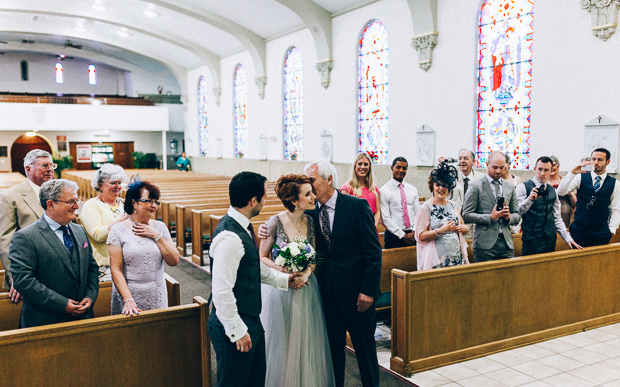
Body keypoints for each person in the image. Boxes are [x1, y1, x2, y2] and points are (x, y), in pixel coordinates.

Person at [208, 171, 301, 387]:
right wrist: (238, 331)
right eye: (265, 196)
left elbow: (251, 264)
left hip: (249, 318)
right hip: (234, 321)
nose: (265, 201)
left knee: (255, 380)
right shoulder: (230, 237)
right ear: (253, 201)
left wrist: (283, 280)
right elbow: (222, 290)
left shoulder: (242, 227)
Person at [302, 161, 381, 387]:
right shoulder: (310, 212)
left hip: (358, 297)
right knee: (333, 352)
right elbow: (319, 253)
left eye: (312, 180)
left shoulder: (356, 207)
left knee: (365, 352)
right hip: (328, 296)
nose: (308, 186)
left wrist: (368, 291)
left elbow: (373, 253)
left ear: (328, 180)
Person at [259, 174, 335, 387]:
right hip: (281, 289)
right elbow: (262, 257)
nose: (313, 197)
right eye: (308, 194)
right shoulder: (274, 222)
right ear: (293, 200)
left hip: (306, 288)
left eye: (312, 192)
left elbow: (313, 258)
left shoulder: (311, 221)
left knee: (306, 340)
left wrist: (307, 273)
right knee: (283, 340)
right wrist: (283, 271)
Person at [8, 179, 99, 328]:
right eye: (71, 202)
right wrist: (63, 304)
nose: (76, 207)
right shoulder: (26, 237)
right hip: (45, 320)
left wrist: (90, 296)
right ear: (51, 204)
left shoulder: (79, 230)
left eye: (76, 201)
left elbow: (92, 268)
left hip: (83, 318)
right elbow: (24, 280)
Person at [108, 178, 179, 316]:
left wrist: (157, 237)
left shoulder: (160, 227)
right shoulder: (118, 230)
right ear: (134, 203)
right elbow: (115, 269)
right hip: (129, 292)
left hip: (156, 290)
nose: (154, 206)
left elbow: (174, 261)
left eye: (156, 202)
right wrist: (128, 299)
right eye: (149, 201)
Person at [0, 149, 55, 303]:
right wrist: (17, 279)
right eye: (44, 166)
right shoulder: (10, 196)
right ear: (28, 169)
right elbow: (6, 241)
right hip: (30, 273)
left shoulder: (59, 193)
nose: (50, 169)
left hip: (59, 270)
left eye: (52, 165)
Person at [516, 156, 582, 255]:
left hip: (550, 238)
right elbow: (518, 212)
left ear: (551, 171)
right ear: (535, 169)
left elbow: (557, 217)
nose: (542, 173)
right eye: (540, 169)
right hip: (531, 239)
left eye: (546, 170)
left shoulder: (553, 190)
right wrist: (529, 200)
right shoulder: (523, 187)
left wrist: (568, 238)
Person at [462, 151, 521, 262]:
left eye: (501, 167)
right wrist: (490, 217)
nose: (498, 171)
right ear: (487, 164)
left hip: (506, 243)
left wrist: (509, 217)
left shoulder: (509, 186)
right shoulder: (476, 186)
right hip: (484, 245)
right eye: (494, 167)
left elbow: (517, 215)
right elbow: (466, 215)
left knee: (507, 278)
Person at [557, 148, 620, 247]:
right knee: (576, 261)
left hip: (601, 232)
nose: (595, 162)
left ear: (607, 162)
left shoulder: (615, 184)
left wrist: (611, 230)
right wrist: (572, 172)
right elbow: (561, 192)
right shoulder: (580, 177)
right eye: (593, 159)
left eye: (600, 160)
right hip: (579, 230)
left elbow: (615, 209)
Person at [80, 164, 130, 281]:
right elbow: (98, 234)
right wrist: (123, 219)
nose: (117, 186)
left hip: (127, 262)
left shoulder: (123, 203)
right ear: (100, 185)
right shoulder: (91, 205)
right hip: (105, 266)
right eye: (113, 183)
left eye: (119, 183)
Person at [416, 163, 469, 270]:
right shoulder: (426, 208)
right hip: (436, 261)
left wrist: (463, 228)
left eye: (445, 185)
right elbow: (420, 236)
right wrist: (441, 230)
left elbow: (464, 227)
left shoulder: (453, 206)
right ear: (432, 186)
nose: (441, 188)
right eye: (437, 185)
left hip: (455, 257)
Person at [440, 149, 485, 239]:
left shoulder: (482, 178)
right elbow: (438, 186)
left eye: (466, 158)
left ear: (473, 161)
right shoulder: (451, 175)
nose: (462, 161)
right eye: (460, 159)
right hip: (455, 225)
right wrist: (442, 168)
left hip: (475, 224)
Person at [379, 157, 420, 248]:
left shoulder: (412, 189)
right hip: (394, 235)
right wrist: (401, 234)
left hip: (412, 234)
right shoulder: (384, 190)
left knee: (414, 262)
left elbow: (418, 213)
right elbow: (385, 218)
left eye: (404, 168)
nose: (401, 170)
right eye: (398, 167)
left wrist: (414, 231)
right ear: (392, 168)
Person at [340, 152, 381, 229]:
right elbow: (345, 214)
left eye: (366, 164)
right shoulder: (347, 188)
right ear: (355, 166)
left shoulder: (374, 188)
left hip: (372, 229)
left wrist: (373, 229)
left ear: (369, 167)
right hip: (354, 230)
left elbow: (378, 212)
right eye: (360, 164)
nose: (363, 167)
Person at [548, 155, 576, 229]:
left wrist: (569, 193)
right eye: (549, 166)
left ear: (558, 166)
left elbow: (575, 204)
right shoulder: (541, 182)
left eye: (553, 165)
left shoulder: (566, 181)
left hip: (565, 217)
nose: (551, 168)